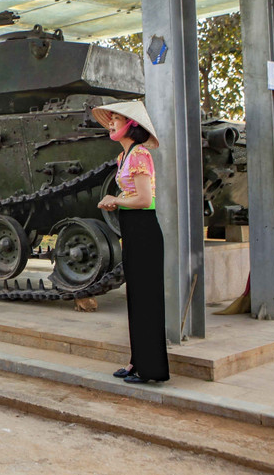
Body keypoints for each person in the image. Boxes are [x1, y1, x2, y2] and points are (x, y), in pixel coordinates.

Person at [94, 100, 170, 385]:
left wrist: (116, 200)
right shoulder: (122, 156)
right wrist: (119, 205)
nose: (111, 123)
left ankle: (151, 369)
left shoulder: (139, 155)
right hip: (133, 229)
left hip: (145, 229)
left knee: (147, 301)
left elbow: (144, 200)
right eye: (111, 119)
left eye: (116, 119)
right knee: (137, 300)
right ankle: (137, 362)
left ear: (132, 125)